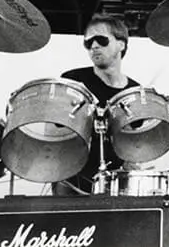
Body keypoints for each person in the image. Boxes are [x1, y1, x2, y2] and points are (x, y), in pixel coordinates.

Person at [54, 13, 140, 195]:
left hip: (115, 181)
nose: (94, 46)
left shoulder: (134, 91)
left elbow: (134, 142)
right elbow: (57, 128)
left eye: (101, 40)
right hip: (72, 178)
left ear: (121, 44)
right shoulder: (73, 80)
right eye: (88, 42)